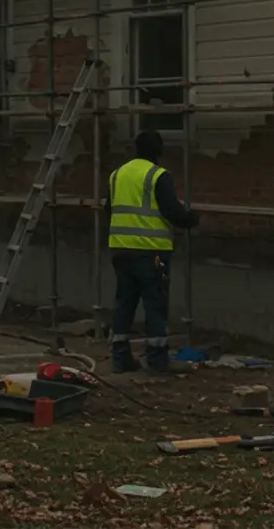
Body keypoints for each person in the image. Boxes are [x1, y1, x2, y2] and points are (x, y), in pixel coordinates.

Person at [106, 129, 199, 373]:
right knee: (155, 304)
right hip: (151, 252)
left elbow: (110, 211)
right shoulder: (157, 176)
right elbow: (172, 211)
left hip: (120, 251)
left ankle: (120, 357)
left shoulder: (117, 174)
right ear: (159, 150)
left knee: (124, 303)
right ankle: (157, 360)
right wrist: (191, 220)